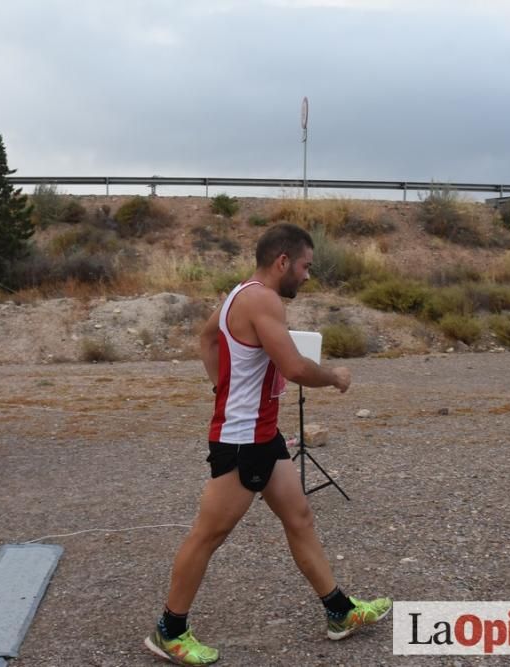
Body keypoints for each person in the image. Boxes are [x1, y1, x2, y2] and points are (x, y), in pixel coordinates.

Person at [144, 223, 391, 665]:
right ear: (283, 262)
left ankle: (340, 612)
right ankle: (169, 631)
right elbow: (295, 368)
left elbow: (206, 339)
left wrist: (224, 389)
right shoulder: (263, 299)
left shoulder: (240, 293)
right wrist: (334, 377)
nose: (308, 276)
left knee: (300, 517)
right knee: (208, 535)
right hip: (241, 441)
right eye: (305, 266)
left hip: (263, 436)